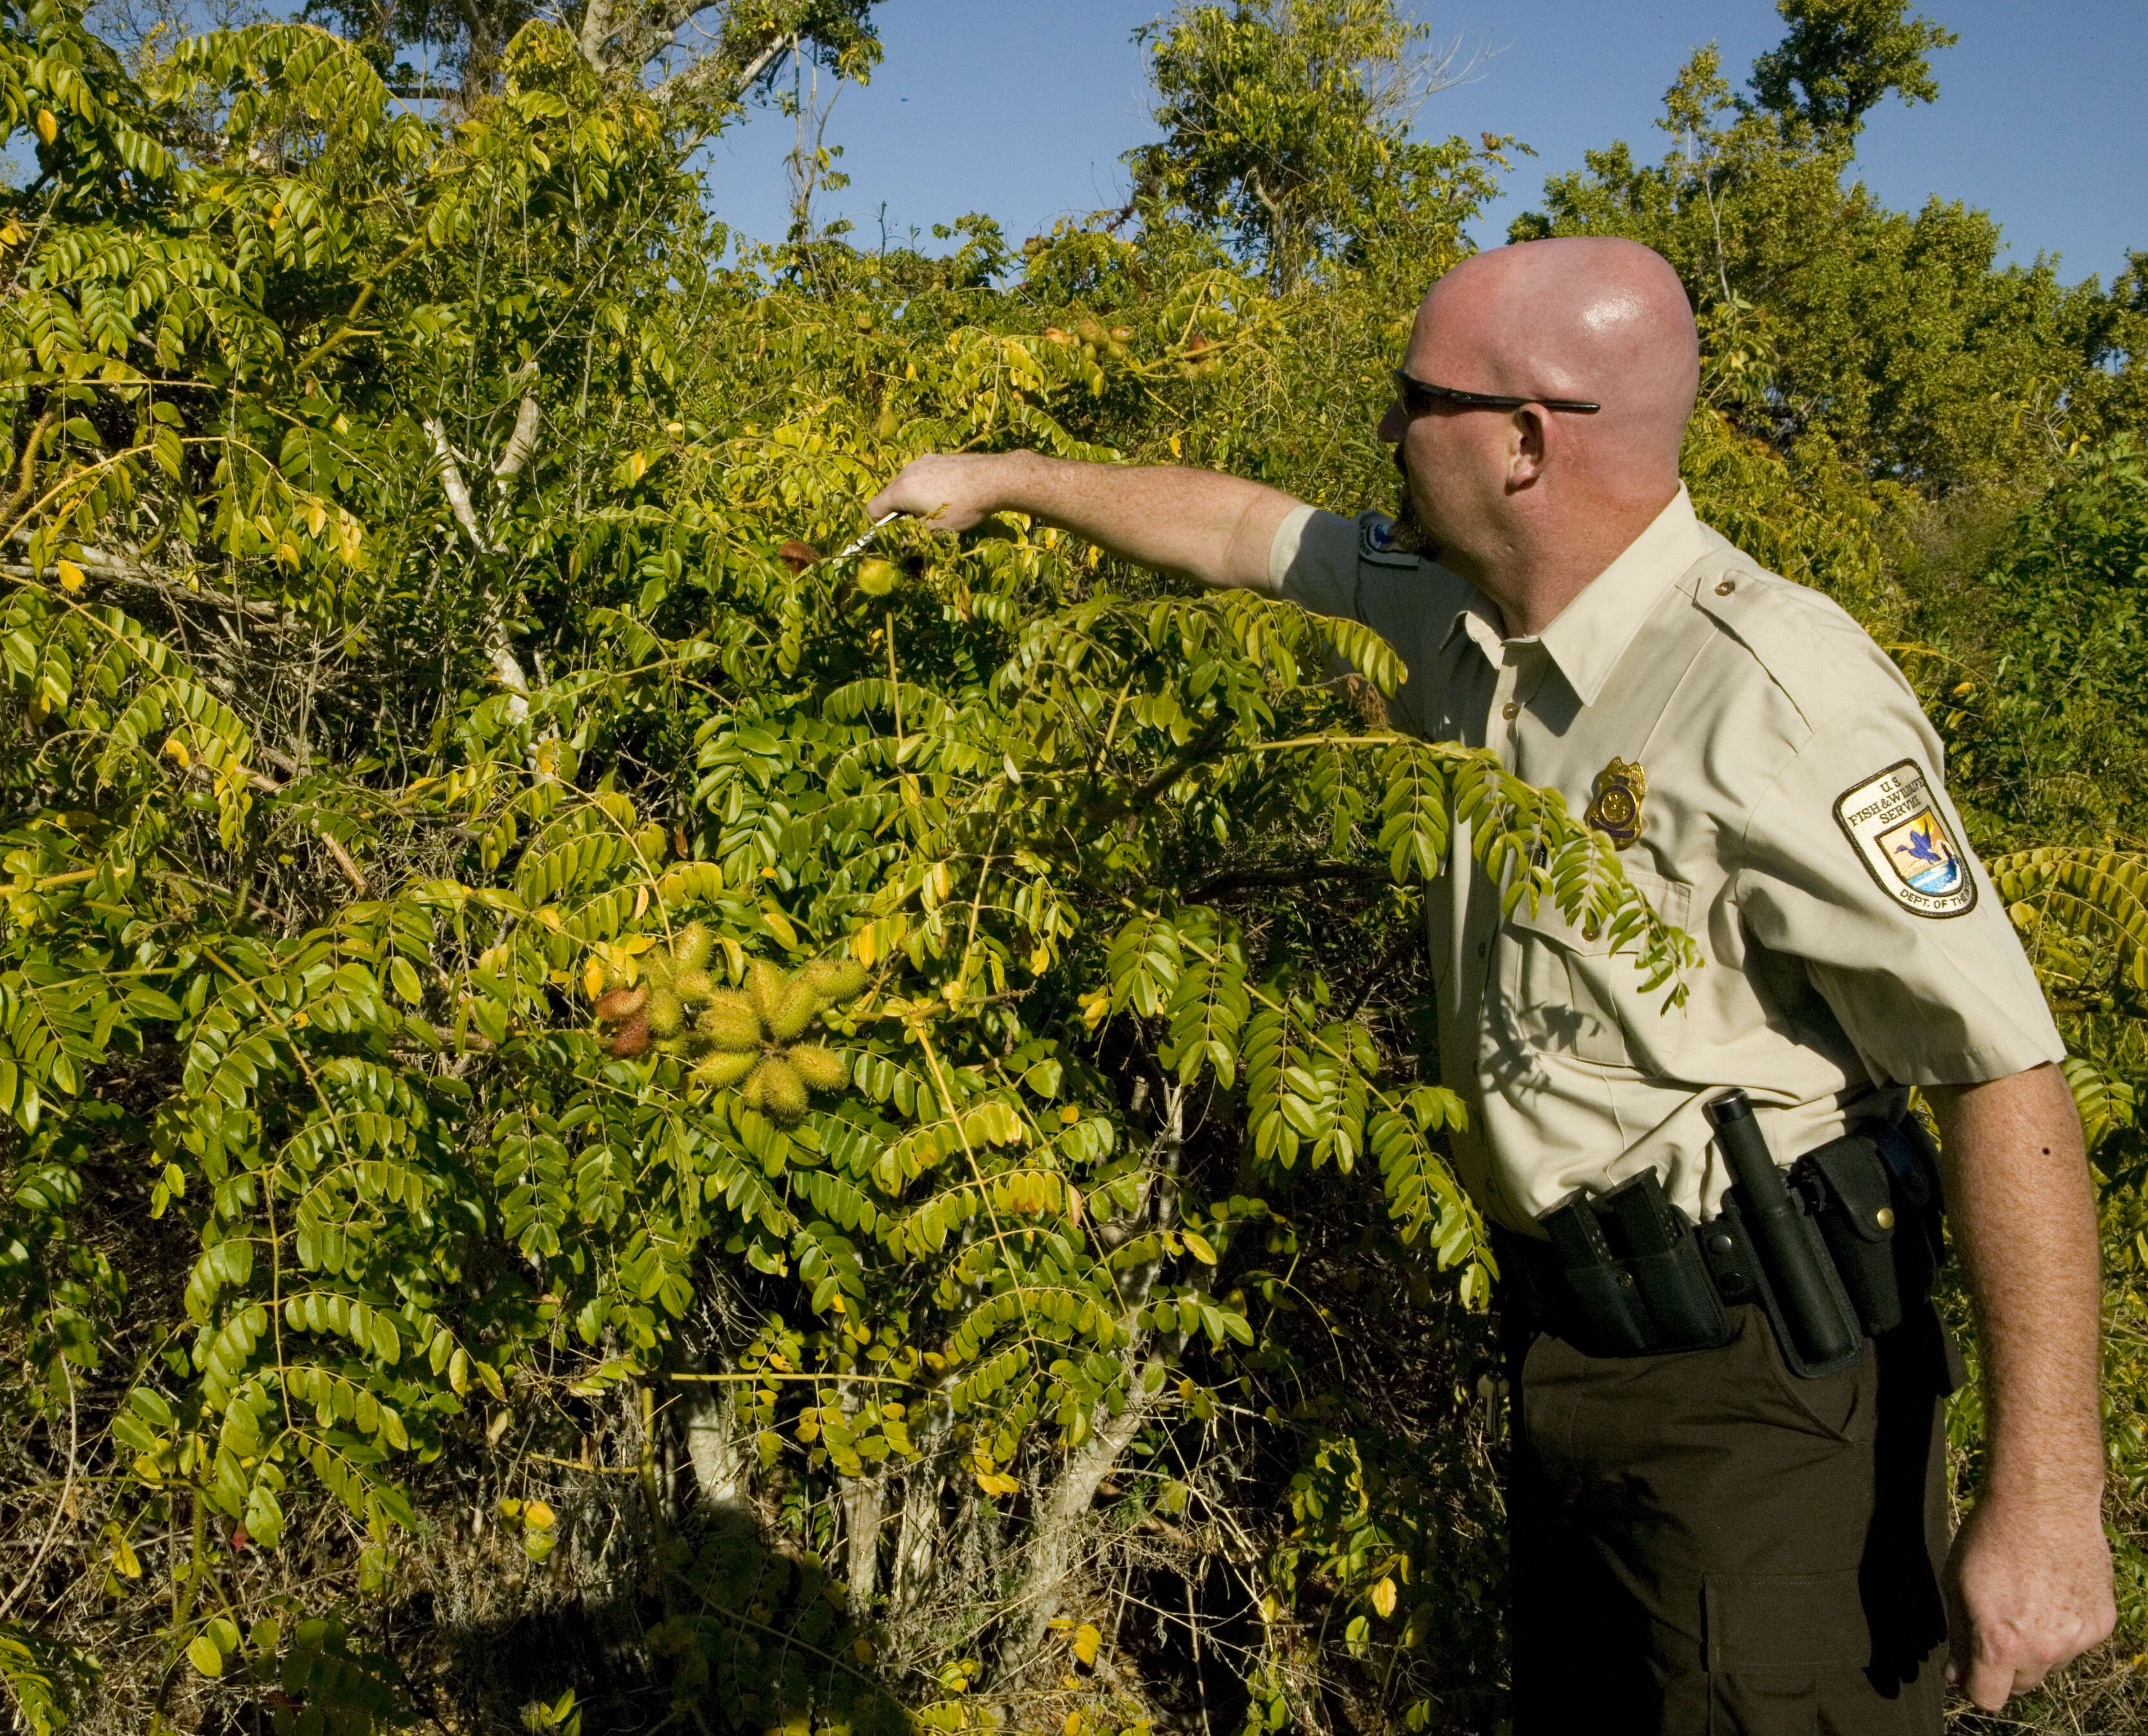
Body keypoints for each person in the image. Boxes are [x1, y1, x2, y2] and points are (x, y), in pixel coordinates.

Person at [866, 236, 2114, 1732]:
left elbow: (2003, 1070)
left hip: (1759, 1395)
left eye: (1412, 399)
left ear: (1523, 440)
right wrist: (998, 475)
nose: (1386, 433)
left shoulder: (1777, 694)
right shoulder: (1464, 617)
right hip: (1562, 1350)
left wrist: (2046, 1500)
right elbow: (1242, 529)